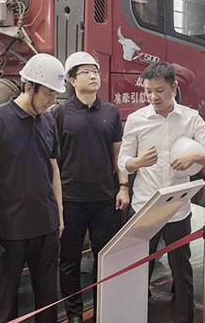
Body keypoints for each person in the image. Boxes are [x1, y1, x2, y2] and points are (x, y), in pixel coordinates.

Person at [118, 61, 205, 323]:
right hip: (145, 207)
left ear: (174, 88)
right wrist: (138, 162)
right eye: (148, 91)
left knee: (181, 270)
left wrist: (196, 157)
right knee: (139, 268)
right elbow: (123, 161)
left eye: (160, 91)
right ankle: (133, 315)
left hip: (177, 208)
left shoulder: (190, 118)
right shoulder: (136, 120)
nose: (153, 97)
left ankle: (184, 318)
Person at [0, 53, 65, 323]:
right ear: (29, 87)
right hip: (9, 231)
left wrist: (58, 215)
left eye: (55, 94)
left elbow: (53, 169)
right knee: (5, 305)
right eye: (49, 93)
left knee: (47, 303)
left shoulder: (48, 120)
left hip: (45, 228)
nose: (52, 101)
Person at [53, 52, 130, 323]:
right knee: (69, 260)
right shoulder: (60, 113)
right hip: (70, 200)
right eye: (85, 72)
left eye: (95, 71)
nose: (93, 75)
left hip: (104, 199)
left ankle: (102, 311)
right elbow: (53, 161)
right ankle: (74, 314)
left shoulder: (110, 112)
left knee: (105, 257)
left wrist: (123, 186)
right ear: (72, 80)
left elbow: (118, 154)